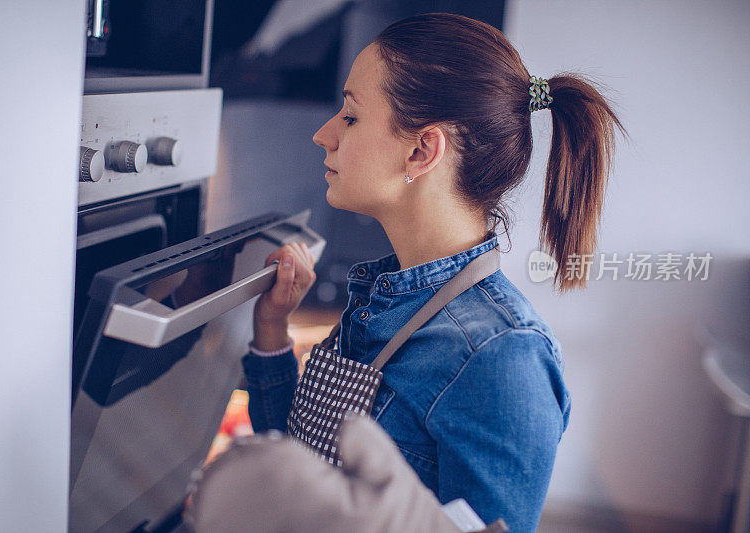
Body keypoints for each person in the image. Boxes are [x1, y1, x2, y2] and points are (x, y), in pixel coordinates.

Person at [240, 13, 624, 533]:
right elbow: (299, 477)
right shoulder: (385, 303)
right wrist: (271, 332)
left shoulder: (500, 358)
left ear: (422, 151)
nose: (323, 134)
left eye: (350, 117)